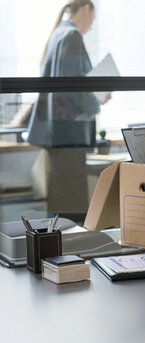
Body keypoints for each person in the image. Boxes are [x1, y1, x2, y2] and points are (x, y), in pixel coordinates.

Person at [26, 0, 109, 213]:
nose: (91, 25)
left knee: (63, 200)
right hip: (69, 133)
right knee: (72, 204)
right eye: (93, 19)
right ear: (86, 9)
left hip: (58, 132)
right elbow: (74, 84)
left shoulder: (59, 34)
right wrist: (96, 102)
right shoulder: (71, 36)